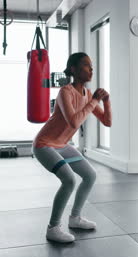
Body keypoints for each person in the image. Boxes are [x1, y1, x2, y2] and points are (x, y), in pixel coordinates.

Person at [32, 52, 112, 243]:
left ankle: (75, 218)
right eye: (86, 65)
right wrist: (94, 102)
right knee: (68, 180)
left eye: (91, 65)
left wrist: (106, 101)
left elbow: (107, 122)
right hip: (44, 144)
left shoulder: (87, 95)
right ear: (74, 70)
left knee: (90, 175)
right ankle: (53, 228)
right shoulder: (65, 92)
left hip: (62, 145)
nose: (91, 69)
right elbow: (74, 121)